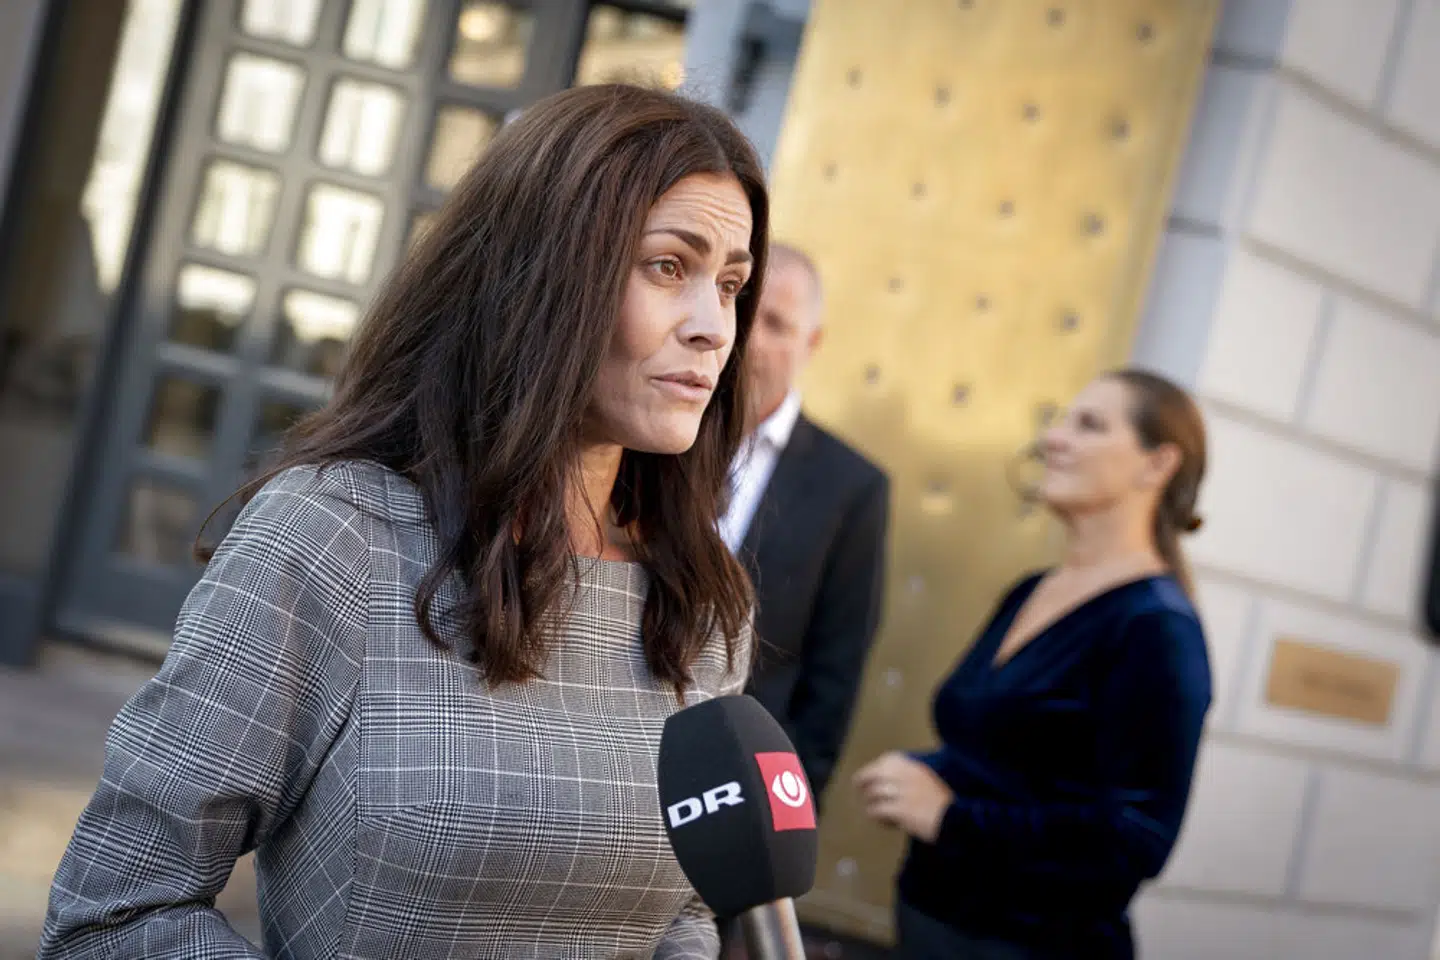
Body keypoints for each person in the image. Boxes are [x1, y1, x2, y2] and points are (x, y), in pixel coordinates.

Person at [39, 83, 768, 959]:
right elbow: (114, 911)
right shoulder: (334, 539)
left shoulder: (702, 602)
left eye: (731, 284)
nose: (714, 328)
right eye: (669, 267)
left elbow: (682, 912)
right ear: (545, 273)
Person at [855, 369, 1213, 960]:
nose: (1054, 439)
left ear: (1158, 464)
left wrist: (948, 817)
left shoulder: (1156, 626)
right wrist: (920, 771)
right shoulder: (1031, 590)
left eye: (1089, 425)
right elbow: (1009, 762)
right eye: (1061, 422)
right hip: (932, 925)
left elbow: (1134, 840)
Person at [721, 243, 889, 808]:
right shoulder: (656, 435)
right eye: (743, 310)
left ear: (811, 343)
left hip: (742, 784)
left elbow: (835, 671)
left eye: (776, 324)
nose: (750, 340)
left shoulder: (853, 487)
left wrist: (786, 807)